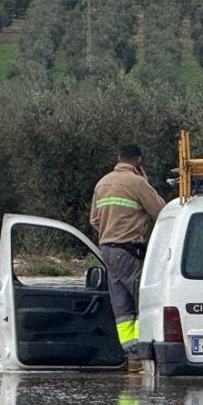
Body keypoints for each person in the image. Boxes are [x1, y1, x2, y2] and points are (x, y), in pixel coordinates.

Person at [89, 144, 166, 365]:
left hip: (108, 249)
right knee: (144, 300)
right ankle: (143, 350)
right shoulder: (137, 183)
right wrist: (146, 182)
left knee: (121, 303)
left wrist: (110, 227)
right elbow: (160, 211)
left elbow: (94, 220)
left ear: (118, 158)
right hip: (128, 248)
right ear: (138, 162)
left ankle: (131, 355)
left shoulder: (102, 183)